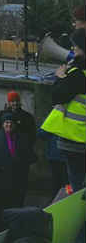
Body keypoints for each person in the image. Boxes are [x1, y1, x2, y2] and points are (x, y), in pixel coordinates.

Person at [41, 27, 85, 191]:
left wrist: (60, 78)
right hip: (80, 138)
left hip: (74, 139)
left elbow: (58, 97)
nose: (73, 49)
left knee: (76, 181)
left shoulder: (77, 74)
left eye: (76, 47)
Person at [0, 112, 36, 232]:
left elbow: (31, 156)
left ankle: (15, 228)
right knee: (1, 206)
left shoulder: (22, 137)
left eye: (11, 122)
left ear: (15, 124)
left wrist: (24, 161)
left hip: (19, 179)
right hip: (1, 179)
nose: (8, 125)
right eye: (6, 122)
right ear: (3, 124)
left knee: (17, 205)